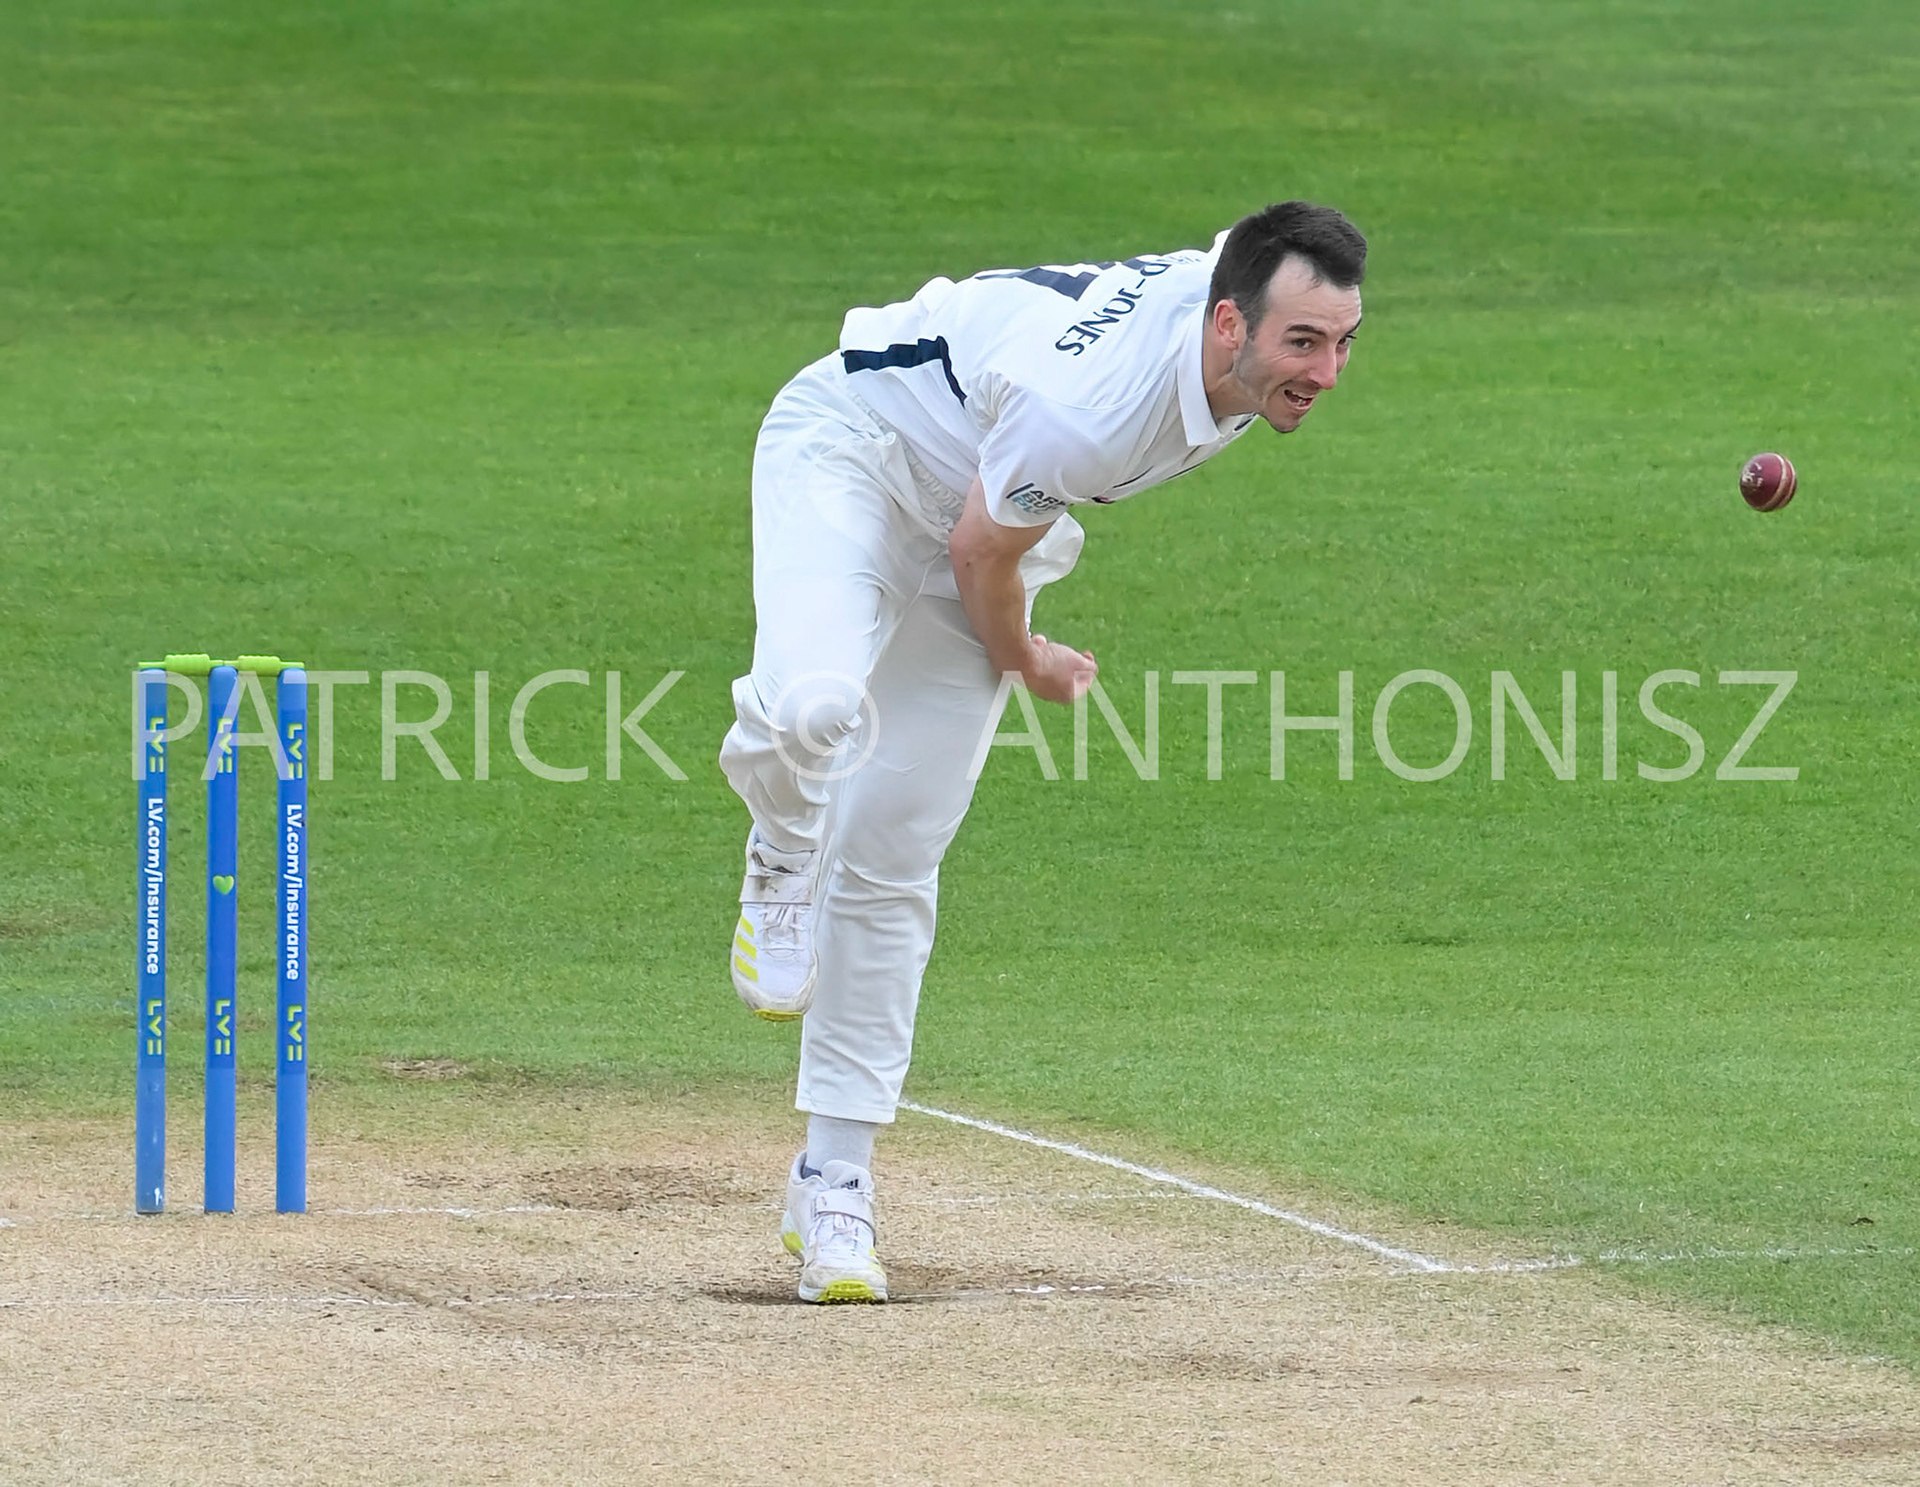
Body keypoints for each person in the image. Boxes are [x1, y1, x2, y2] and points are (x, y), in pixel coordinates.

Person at [719, 200, 1366, 1303]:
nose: (1327, 371)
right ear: (1225, 326)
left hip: (983, 499)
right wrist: (1030, 661)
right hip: (859, 456)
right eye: (1302, 343)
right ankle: (781, 853)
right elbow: (982, 555)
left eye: (1345, 341)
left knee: (895, 849)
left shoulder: (1237, 290)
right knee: (817, 705)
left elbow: (985, 531)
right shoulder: (1090, 414)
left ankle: (834, 1181)